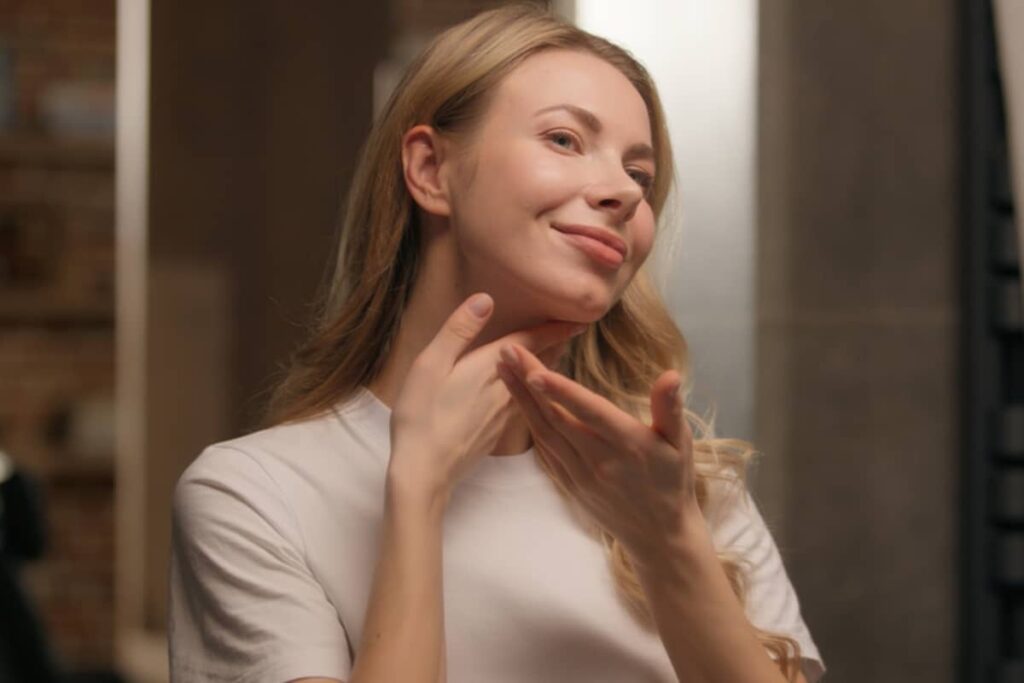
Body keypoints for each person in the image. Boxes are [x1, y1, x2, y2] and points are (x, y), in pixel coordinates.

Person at [168, 4, 826, 682]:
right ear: (430, 170)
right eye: (566, 140)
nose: (622, 194)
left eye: (641, 175)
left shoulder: (679, 485)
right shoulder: (253, 498)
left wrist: (671, 544)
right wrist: (417, 489)